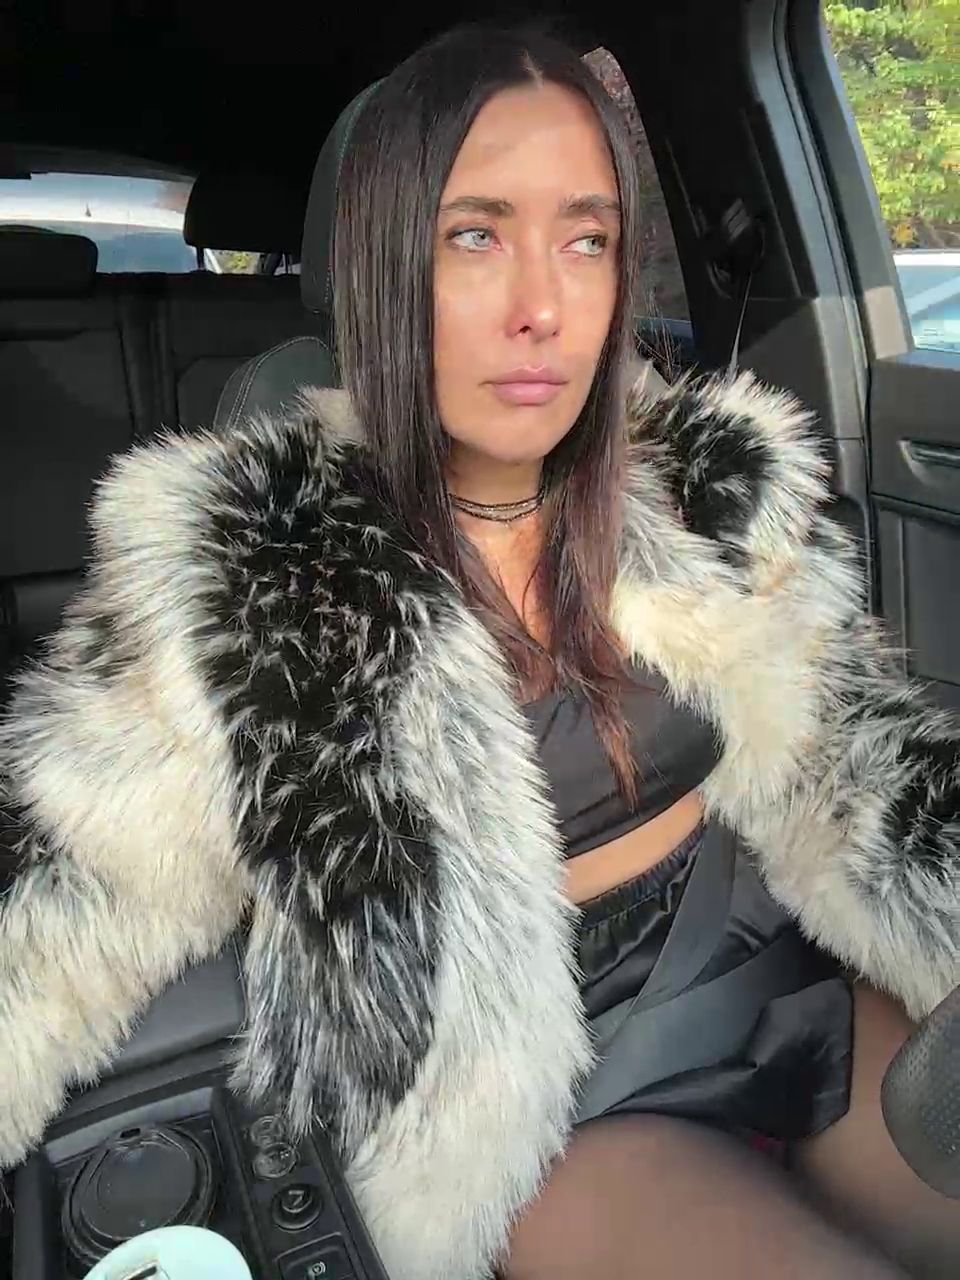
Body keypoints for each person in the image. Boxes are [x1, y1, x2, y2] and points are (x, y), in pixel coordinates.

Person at [1, 22, 959, 1280]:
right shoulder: (256, 575)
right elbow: (55, 907)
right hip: (549, 1097)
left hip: (776, 965)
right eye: (475, 236)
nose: (542, 307)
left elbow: (869, 761)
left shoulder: (711, 482)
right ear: (383, 263)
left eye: (586, 239)